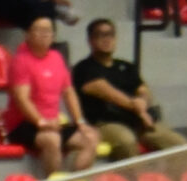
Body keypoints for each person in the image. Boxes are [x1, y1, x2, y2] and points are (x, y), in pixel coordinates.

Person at [71, 20, 180, 157]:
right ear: (90, 40)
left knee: (177, 143)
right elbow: (102, 89)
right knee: (126, 141)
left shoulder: (126, 66)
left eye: (110, 35)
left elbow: (143, 90)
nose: (107, 39)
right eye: (101, 35)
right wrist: (137, 108)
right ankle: (135, 172)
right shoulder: (84, 68)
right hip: (106, 123)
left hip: (137, 120)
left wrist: (143, 102)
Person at [7, 16, 96, 177]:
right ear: (27, 35)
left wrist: (80, 121)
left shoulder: (57, 57)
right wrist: (41, 122)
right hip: (24, 124)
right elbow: (22, 99)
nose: (44, 34)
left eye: (48, 30)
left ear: (53, 36)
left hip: (53, 122)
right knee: (52, 139)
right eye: (39, 30)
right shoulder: (20, 60)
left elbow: (69, 92)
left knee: (90, 137)